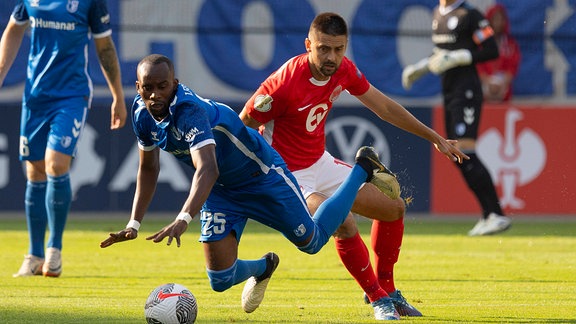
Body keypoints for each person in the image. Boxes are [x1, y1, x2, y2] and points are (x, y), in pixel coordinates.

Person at [99, 54, 392, 316]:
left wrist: (183, 218)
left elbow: (207, 168)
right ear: (137, 87)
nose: (154, 95)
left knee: (313, 242)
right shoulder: (140, 114)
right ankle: (265, 267)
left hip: (261, 176)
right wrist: (134, 224)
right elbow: (148, 168)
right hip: (222, 189)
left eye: (162, 86)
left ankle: (362, 168)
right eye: (147, 88)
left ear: (174, 84)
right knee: (220, 279)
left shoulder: (190, 113)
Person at [239, 12, 468, 320]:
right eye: (323, 49)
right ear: (309, 45)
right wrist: (256, 172)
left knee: (394, 206)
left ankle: (386, 288)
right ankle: (377, 300)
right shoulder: (282, 84)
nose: (331, 57)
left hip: (320, 162)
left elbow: (385, 107)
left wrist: (434, 137)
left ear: (345, 47)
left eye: (338, 49)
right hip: (288, 175)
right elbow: (241, 127)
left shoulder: (343, 70)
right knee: (341, 221)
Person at [1, 0, 127, 278]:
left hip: (72, 95)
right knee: (34, 171)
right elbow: (13, 29)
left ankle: (54, 251)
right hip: (35, 96)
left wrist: (117, 95)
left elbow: (104, 47)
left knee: (56, 164)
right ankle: (34, 256)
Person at [402, 0, 512, 236]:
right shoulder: (437, 14)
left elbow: (491, 49)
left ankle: (497, 214)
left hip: (467, 90)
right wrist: (420, 68)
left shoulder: (470, 15)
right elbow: (440, 53)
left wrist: (460, 57)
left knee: (465, 149)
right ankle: (488, 214)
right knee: (454, 151)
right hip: (449, 91)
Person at [476, 3, 521, 102]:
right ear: (489, 21)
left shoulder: (510, 44)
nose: (498, 23)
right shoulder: (481, 41)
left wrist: (501, 83)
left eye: (501, 19)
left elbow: (512, 67)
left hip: (503, 87)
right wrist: (487, 82)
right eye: (495, 19)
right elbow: (477, 64)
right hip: (484, 86)